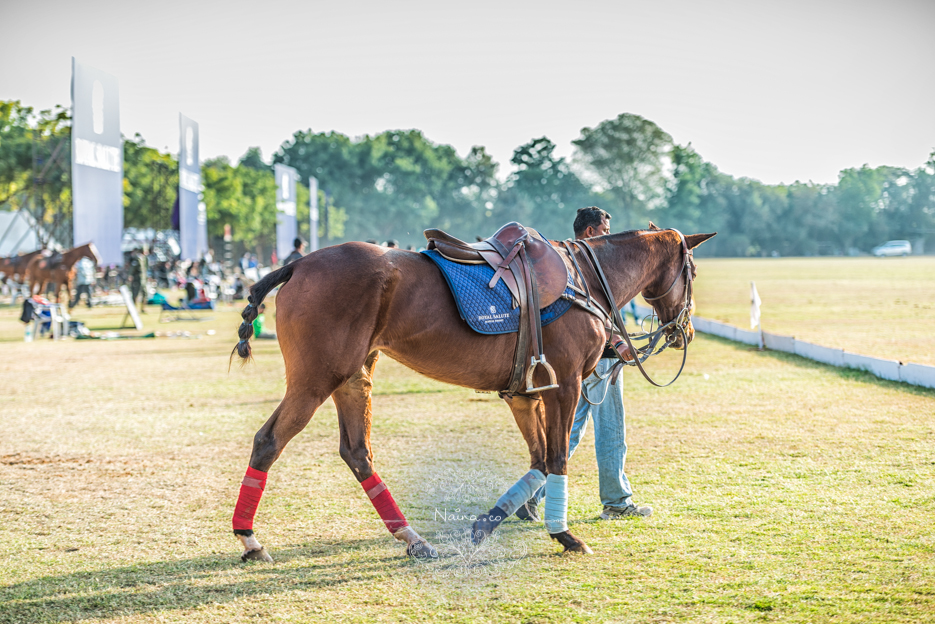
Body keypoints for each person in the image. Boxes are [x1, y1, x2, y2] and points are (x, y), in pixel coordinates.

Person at [516, 206, 652, 522]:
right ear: (590, 232)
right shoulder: (591, 264)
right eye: (605, 230)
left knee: (568, 431)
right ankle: (617, 502)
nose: (609, 236)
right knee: (611, 429)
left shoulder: (563, 261)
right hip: (597, 359)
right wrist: (618, 342)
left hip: (573, 361)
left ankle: (529, 496)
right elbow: (594, 314)